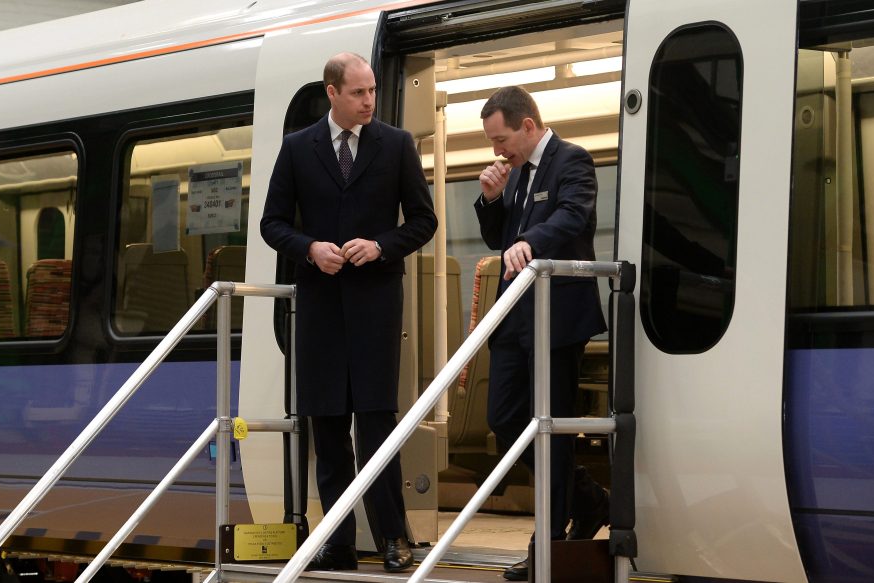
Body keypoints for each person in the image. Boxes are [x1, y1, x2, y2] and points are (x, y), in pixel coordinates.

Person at [260, 52, 437, 573]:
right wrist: (310, 248)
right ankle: (338, 541)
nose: (369, 101)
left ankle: (392, 539)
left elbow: (422, 221)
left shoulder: (397, 145)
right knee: (329, 428)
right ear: (332, 93)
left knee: (376, 424)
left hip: (376, 306)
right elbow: (272, 224)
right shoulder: (296, 150)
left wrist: (381, 246)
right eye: (358, 92)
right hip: (319, 307)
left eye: (373, 91)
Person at [473, 86, 611, 581]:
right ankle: (589, 498)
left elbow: (574, 216)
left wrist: (530, 240)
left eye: (502, 138)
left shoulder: (572, 161)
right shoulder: (512, 176)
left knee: (549, 428)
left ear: (528, 126)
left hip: (558, 318)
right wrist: (490, 199)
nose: (497, 151)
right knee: (505, 419)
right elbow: (500, 239)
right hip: (515, 318)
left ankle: (547, 547)